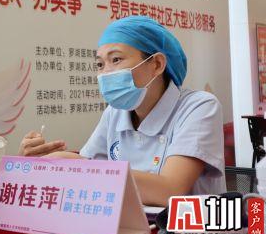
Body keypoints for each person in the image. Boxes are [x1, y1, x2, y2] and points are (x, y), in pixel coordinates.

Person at [19, 16, 226, 206]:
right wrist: (40, 163)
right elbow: (90, 166)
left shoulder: (199, 106)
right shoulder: (115, 112)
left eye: (116, 59)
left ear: (156, 64)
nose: (105, 73)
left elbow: (170, 190)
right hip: (129, 226)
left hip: (188, 230)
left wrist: (80, 167)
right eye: (100, 64)